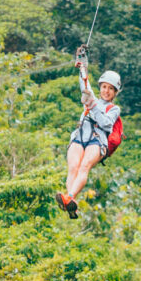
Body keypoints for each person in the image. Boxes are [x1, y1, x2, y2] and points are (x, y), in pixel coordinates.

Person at [56, 69, 121, 218]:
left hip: (97, 140)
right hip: (81, 134)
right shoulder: (91, 97)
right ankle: (70, 202)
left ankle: (70, 196)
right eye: (104, 87)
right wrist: (82, 66)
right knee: (73, 167)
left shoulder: (114, 109)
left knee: (84, 166)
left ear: (115, 92)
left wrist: (92, 106)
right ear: (100, 87)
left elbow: (106, 124)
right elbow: (84, 84)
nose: (107, 91)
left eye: (111, 89)